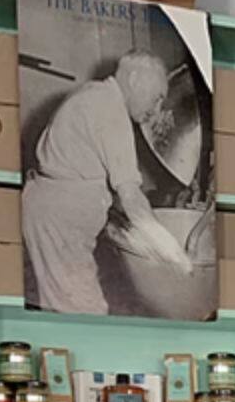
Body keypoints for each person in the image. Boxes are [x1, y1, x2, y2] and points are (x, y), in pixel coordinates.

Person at [22, 52, 192, 314]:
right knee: (86, 311)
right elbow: (131, 198)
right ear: (134, 79)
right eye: (158, 97)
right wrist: (175, 254)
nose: (157, 109)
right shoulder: (110, 109)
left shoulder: (96, 95)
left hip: (52, 214)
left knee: (63, 306)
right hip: (59, 222)